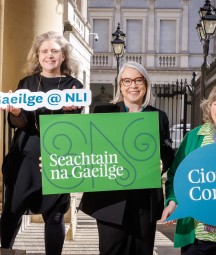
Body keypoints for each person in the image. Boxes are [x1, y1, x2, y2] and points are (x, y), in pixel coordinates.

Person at [0, 31, 83, 255]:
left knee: (55, 215)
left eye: (54, 51)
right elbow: (18, 121)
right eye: (44, 51)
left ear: (63, 56)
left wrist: (70, 112)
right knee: (12, 211)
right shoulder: (26, 83)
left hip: (57, 158)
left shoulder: (73, 84)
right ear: (37, 56)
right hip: (25, 159)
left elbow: (76, 126)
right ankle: (4, 250)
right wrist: (16, 113)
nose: (49, 55)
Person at [79, 61, 174, 255]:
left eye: (138, 80)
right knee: (111, 250)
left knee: (141, 251)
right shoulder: (104, 112)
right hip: (110, 200)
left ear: (146, 85)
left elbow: (166, 148)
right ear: (120, 85)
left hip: (144, 199)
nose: (133, 85)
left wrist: (163, 163)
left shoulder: (158, 116)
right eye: (127, 80)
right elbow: (87, 149)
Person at [161, 86, 216, 255]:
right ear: (210, 105)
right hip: (199, 238)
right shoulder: (194, 137)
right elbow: (176, 176)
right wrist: (172, 202)